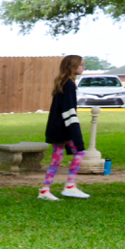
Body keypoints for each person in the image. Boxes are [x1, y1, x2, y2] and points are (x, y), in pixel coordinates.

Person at [40, 55, 90, 201]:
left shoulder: (62, 83)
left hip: (57, 127)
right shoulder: (68, 85)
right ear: (73, 67)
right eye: (82, 64)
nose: (84, 67)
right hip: (63, 128)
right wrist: (74, 132)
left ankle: (45, 190)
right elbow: (68, 111)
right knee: (79, 152)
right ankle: (69, 186)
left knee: (56, 159)